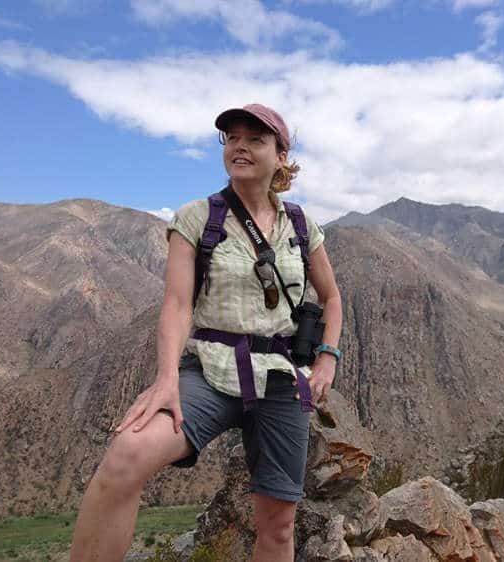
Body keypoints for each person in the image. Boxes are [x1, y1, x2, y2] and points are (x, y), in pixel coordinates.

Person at [69, 103, 343, 562]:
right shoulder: (198, 219)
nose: (240, 146)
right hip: (211, 369)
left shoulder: (300, 225)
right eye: (232, 138)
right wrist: (166, 379)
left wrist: (327, 358)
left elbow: (331, 297)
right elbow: (177, 305)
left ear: (280, 156)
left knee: (278, 526)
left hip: (280, 378)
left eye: (255, 139)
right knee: (126, 456)